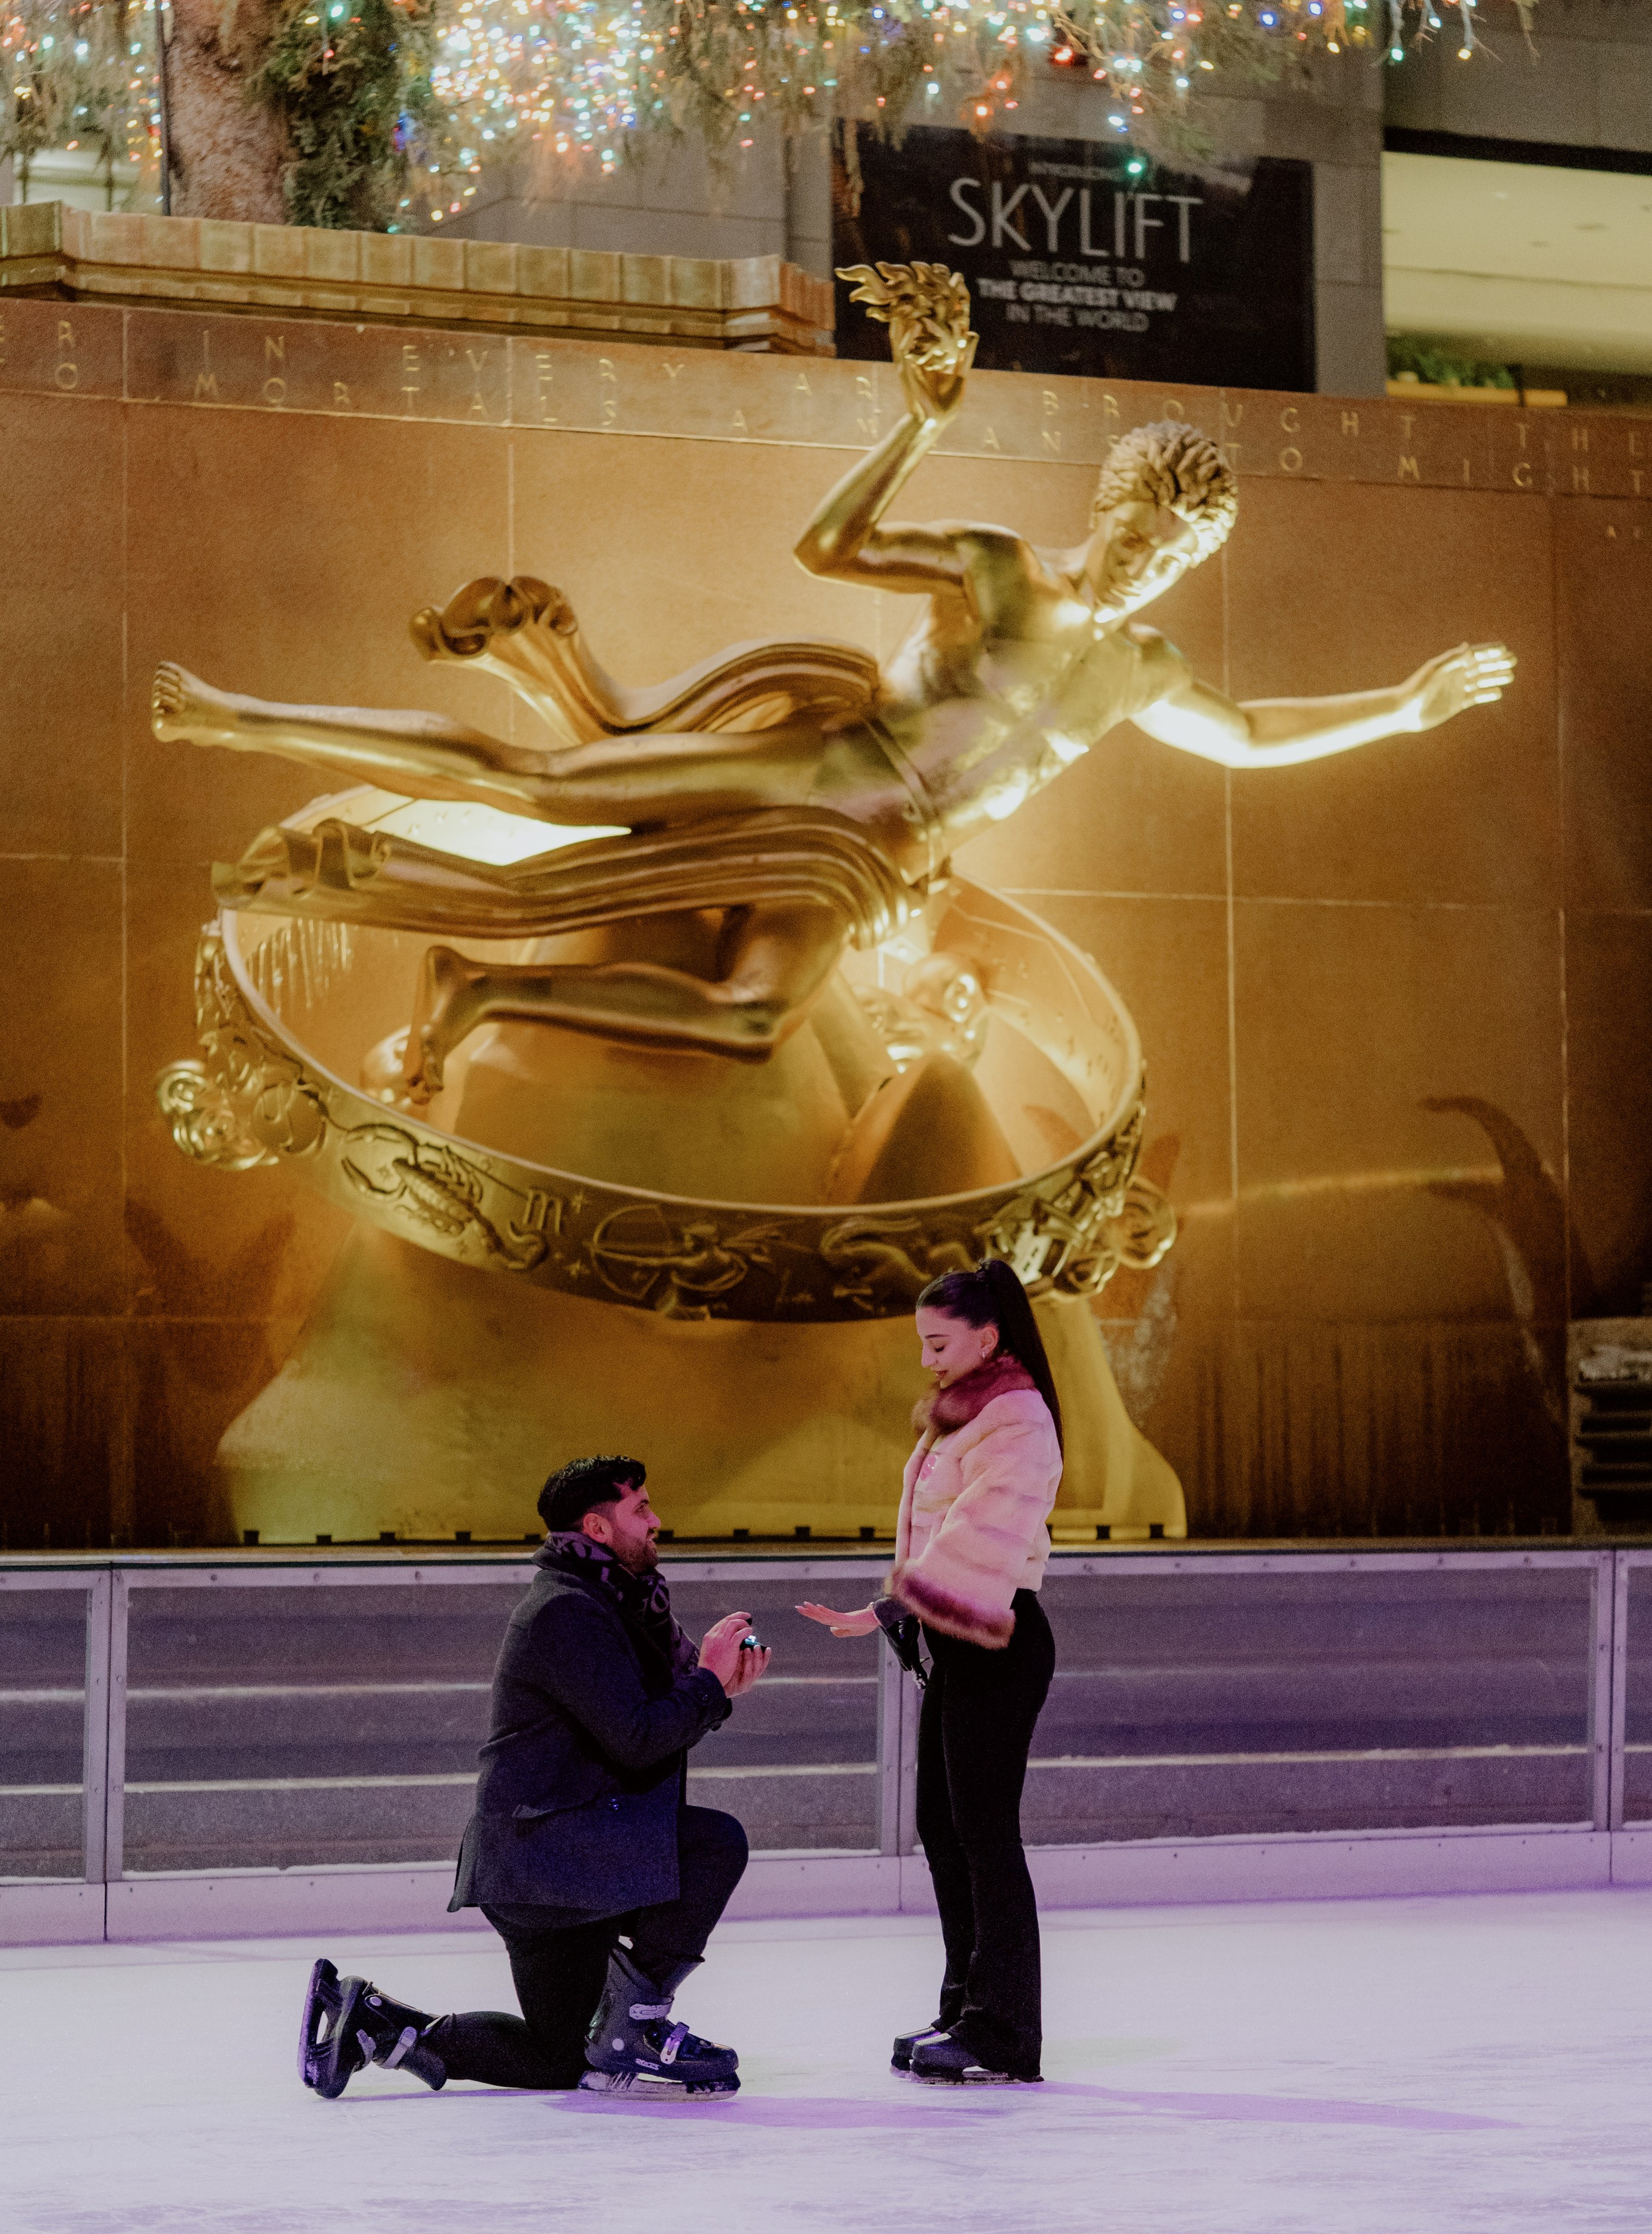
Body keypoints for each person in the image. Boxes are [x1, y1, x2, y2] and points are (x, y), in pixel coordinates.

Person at [150, 267, 1513, 1087]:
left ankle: (481, 988)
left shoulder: (1140, 669)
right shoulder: (993, 569)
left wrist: (1397, 707)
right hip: (824, 769)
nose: (1146, 559)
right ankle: (232, 718)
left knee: (749, 1022)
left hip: (874, 865)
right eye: (1140, 527)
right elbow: (828, 545)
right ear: (1106, 506)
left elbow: (1251, 732)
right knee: (546, 780)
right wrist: (915, 429)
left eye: (1174, 550)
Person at [299, 1455, 769, 2102]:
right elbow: (636, 1739)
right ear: (598, 1529)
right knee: (714, 1843)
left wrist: (714, 1691)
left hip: (563, 1861)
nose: (657, 1521)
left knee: (555, 2057)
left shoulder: (615, 1603)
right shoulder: (567, 1612)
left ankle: (382, 2027)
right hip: (554, 1863)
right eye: (642, 1509)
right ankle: (633, 2024)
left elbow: (652, 1720)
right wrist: (709, 1685)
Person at [799, 1259, 1064, 2086]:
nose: (927, 1359)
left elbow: (974, 1533)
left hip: (995, 1636)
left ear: (987, 1337)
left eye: (938, 1342)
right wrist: (902, 1611)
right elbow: (935, 1534)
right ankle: (965, 2007)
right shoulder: (965, 1414)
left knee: (983, 1835)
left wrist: (888, 1608)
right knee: (947, 1831)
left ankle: (1004, 2028)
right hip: (957, 1636)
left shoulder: (1016, 1418)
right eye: (922, 1342)